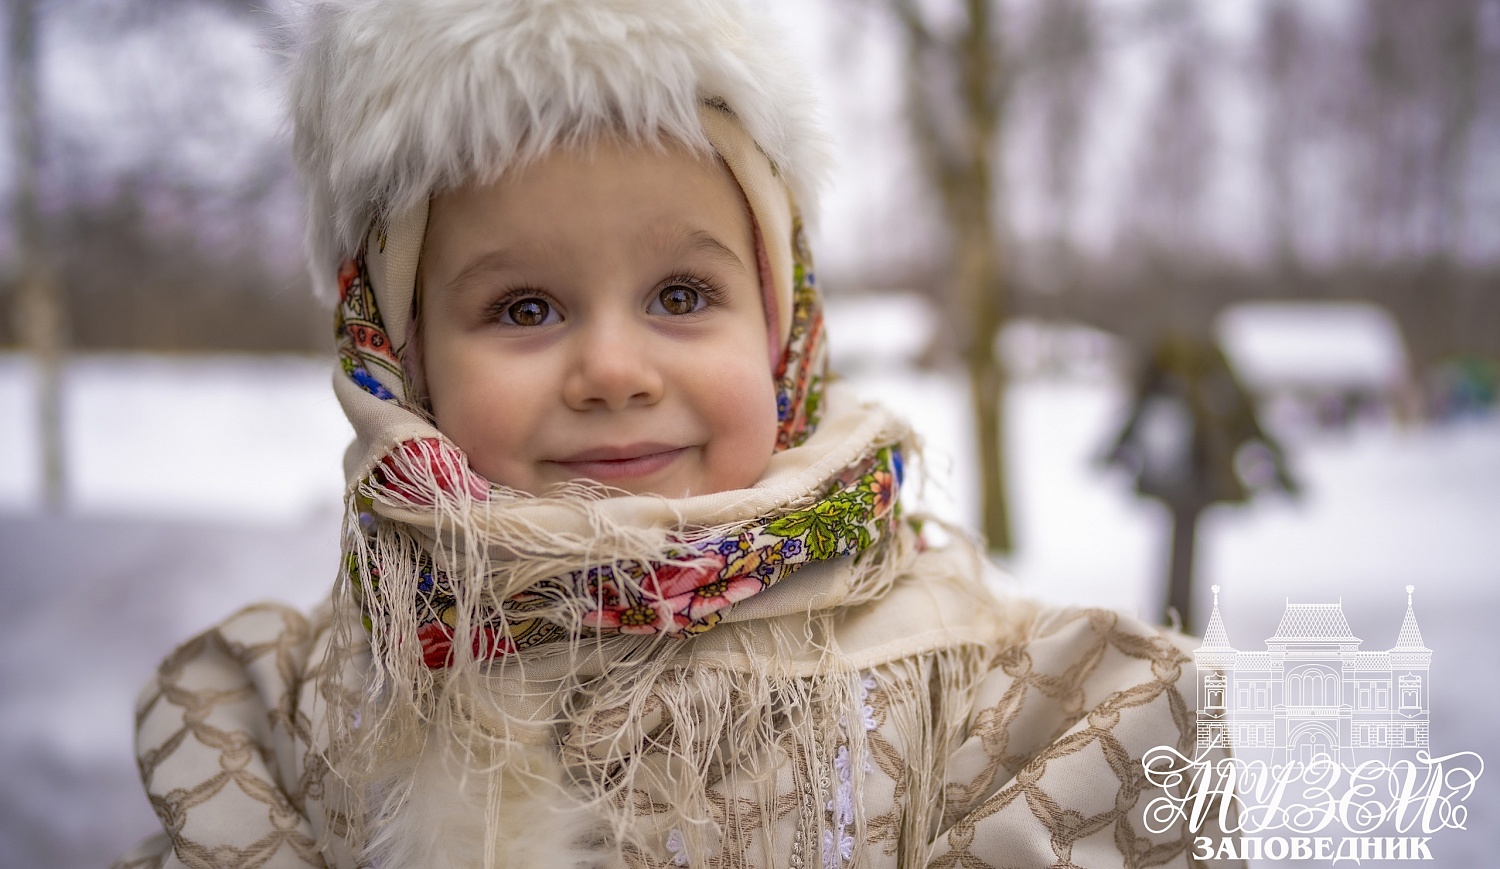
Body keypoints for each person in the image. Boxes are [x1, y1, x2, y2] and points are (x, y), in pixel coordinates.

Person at [113, 1, 1221, 867]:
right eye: (525, 308)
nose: (612, 371)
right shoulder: (310, 711)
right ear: (401, 358)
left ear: (786, 327)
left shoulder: (987, 698)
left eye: (682, 294)